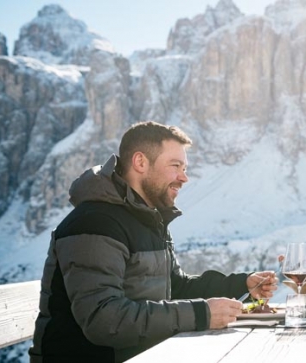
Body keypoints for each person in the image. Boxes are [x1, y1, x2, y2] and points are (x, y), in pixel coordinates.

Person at [29, 121, 278, 362]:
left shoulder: (147, 218)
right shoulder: (95, 222)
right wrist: (203, 314)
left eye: (185, 168)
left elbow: (175, 287)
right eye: (175, 166)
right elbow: (104, 321)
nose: (184, 177)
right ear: (140, 162)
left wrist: (241, 284)